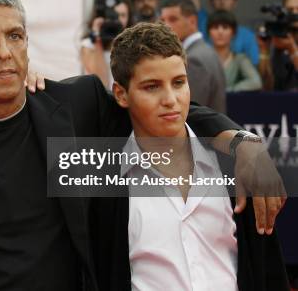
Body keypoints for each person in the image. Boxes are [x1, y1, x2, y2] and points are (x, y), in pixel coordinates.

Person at [0, 0, 281, 291]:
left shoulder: (73, 106)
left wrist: (239, 139)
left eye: (15, 36)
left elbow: (158, 106)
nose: (4, 53)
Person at [90, 22, 288, 290]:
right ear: (121, 94)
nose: (170, 99)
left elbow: (268, 270)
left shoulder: (237, 165)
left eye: (179, 83)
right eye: (152, 87)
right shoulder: (101, 179)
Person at [161, 0, 227, 113]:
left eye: (173, 19)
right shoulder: (206, 51)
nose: (166, 26)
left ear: (192, 21)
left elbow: (190, 110)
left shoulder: (193, 59)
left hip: (199, 129)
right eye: (163, 20)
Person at [185, 0, 260, 65]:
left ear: (235, 2)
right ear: (211, 1)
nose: (222, 1)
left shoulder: (247, 35)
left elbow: (253, 67)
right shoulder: (201, 21)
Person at [81, 0, 132, 89]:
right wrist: (97, 37)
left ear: (129, 18)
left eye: (123, 15)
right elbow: (101, 82)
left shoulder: (132, 45)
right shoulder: (89, 44)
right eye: (113, 15)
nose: (117, 20)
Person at [208, 10, 262, 91]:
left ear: (233, 33)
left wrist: (232, 90)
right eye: (215, 27)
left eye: (225, 27)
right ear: (209, 32)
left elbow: (256, 82)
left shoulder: (239, 58)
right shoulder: (202, 59)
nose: (220, 32)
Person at [258, 0, 298, 91]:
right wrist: (264, 50)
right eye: (290, 10)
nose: (295, 13)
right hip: (278, 101)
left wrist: (292, 50)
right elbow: (265, 86)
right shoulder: (276, 38)